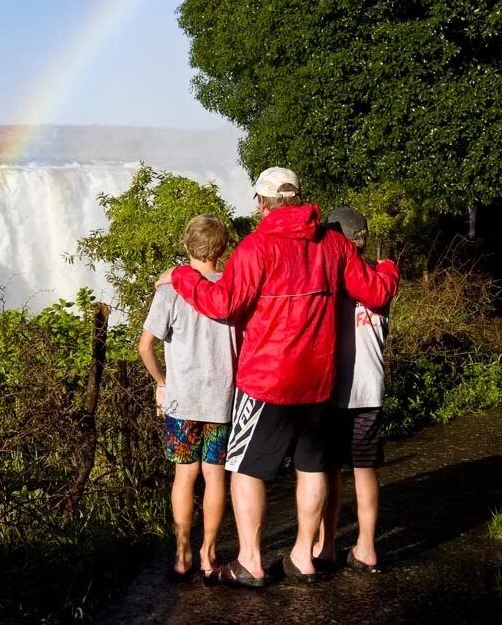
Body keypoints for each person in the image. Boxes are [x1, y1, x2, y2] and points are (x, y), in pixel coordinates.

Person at [157, 167, 399, 587]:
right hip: (319, 380)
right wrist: (389, 267)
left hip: (266, 381)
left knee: (246, 471)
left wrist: (183, 275)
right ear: (299, 198)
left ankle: (250, 560)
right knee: (311, 467)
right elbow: (376, 292)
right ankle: (303, 556)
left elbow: (223, 304)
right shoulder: (334, 244)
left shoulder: (255, 248)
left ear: (262, 202)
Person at [138, 215, 238, 580]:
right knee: (215, 477)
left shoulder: (169, 291)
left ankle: (182, 556)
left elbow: (145, 345)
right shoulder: (233, 288)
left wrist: (161, 381)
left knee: (184, 476)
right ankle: (209, 556)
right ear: (222, 248)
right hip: (222, 401)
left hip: (182, 401)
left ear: (185, 247)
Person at [313, 206, 388, 573]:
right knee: (364, 469)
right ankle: (367, 548)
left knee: (329, 471)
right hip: (371, 390)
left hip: (333, 390)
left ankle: (326, 547)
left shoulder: (329, 280)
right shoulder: (382, 281)